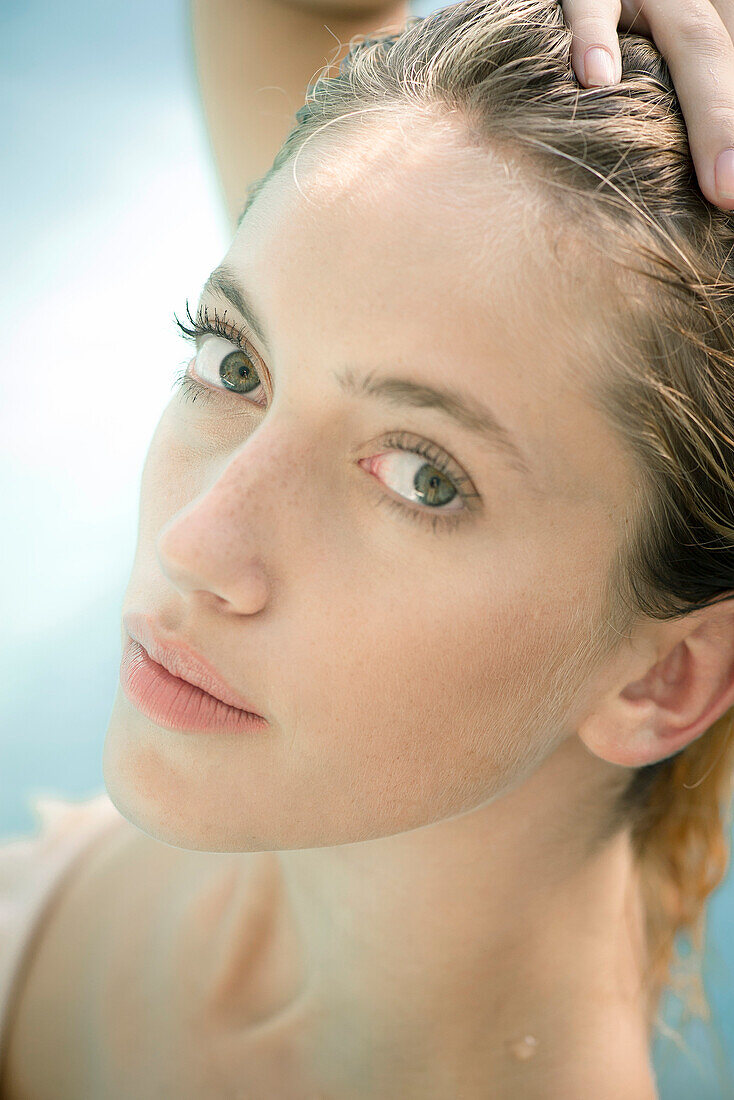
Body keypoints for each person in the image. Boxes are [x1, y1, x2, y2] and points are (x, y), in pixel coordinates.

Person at [2, 0, 734, 1096]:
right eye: (235, 364)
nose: (198, 543)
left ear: (663, 675)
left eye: (420, 476)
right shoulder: (425, 272)